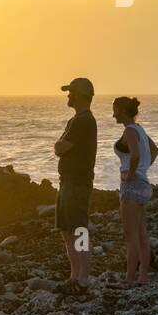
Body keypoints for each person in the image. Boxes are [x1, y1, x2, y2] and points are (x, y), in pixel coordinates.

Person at [53, 77, 97, 293]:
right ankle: (75, 276)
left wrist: (60, 145)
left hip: (77, 184)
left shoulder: (83, 121)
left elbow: (61, 147)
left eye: (71, 92)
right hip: (68, 182)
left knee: (78, 230)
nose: (68, 95)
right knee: (66, 229)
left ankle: (83, 278)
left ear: (80, 95)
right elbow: (61, 146)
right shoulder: (77, 120)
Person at [112, 95, 158, 284]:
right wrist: (143, 169)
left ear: (123, 111)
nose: (113, 114)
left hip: (131, 186)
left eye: (115, 110)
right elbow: (154, 151)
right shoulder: (140, 129)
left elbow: (135, 155)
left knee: (130, 236)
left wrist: (131, 173)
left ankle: (130, 278)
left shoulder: (130, 131)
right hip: (144, 185)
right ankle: (143, 277)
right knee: (141, 234)